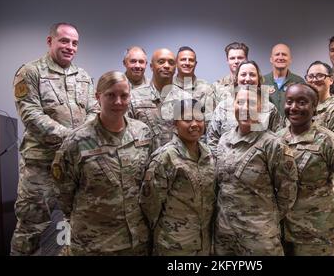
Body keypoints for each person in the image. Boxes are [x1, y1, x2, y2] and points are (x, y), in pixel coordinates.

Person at [11, 22, 99, 255]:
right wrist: (73, 138)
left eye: (74, 43)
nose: (70, 46)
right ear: (50, 41)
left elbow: (94, 111)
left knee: (76, 224)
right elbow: (31, 114)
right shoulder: (30, 72)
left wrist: (82, 142)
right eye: (64, 41)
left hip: (75, 165)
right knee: (31, 226)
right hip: (41, 164)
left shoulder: (83, 76)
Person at [52, 71, 152, 255]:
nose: (118, 102)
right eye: (110, 95)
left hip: (137, 240)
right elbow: (64, 193)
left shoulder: (143, 133)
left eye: (124, 95)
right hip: (94, 242)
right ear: (98, 97)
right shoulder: (78, 140)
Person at [278, 83, 334, 256]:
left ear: (314, 107)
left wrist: (333, 208)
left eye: (302, 102)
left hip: (317, 233)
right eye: (289, 101)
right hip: (282, 229)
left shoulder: (329, 142)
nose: (294, 107)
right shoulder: (277, 138)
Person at [214, 85, 298, 256]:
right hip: (225, 235)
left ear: (261, 108)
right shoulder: (224, 139)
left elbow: (288, 190)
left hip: (259, 237)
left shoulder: (273, 144)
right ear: (233, 105)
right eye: (240, 102)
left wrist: (266, 220)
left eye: (252, 103)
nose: (245, 108)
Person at [140, 99, 215, 256]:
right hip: (174, 245)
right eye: (187, 119)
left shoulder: (208, 155)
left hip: (205, 244)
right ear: (175, 123)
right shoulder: (165, 157)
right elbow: (150, 204)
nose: (194, 124)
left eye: (199, 118)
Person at [207, 60, 283, 152]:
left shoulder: (270, 109)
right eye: (243, 75)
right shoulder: (223, 107)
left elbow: (279, 138)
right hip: (226, 162)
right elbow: (212, 139)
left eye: (252, 75)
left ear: (258, 79)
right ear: (236, 79)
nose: (247, 79)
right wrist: (220, 161)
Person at [129, 48, 176, 150]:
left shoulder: (186, 99)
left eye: (171, 63)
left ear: (175, 67)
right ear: (151, 66)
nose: (167, 66)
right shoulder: (133, 97)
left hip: (177, 162)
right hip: (144, 162)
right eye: (161, 62)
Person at [169, 46, 215, 126]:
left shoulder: (206, 88)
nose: (187, 63)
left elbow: (209, 121)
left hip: (198, 136)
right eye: (183, 59)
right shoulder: (167, 85)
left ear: (195, 64)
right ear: (176, 62)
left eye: (191, 60)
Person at [263, 43, 305, 117]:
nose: (280, 57)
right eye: (277, 54)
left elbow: (303, 108)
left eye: (284, 54)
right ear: (271, 59)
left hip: (291, 126)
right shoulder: (262, 81)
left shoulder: (299, 82)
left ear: (290, 60)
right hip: (267, 127)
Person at [212, 42, 248, 106]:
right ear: (227, 60)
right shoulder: (216, 86)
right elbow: (211, 113)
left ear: (246, 59)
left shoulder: (256, 83)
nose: (236, 61)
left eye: (240, 58)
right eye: (232, 58)